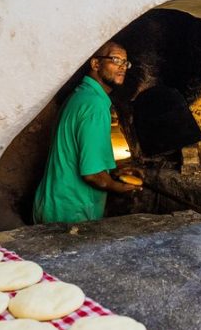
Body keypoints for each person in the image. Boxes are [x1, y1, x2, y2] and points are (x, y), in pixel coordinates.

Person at [33, 41, 142, 224]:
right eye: (115, 59)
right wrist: (119, 187)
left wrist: (114, 172)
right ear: (95, 64)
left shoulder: (80, 96)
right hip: (70, 213)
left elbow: (79, 154)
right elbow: (92, 175)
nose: (122, 66)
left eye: (125, 62)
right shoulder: (95, 106)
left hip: (53, 202)